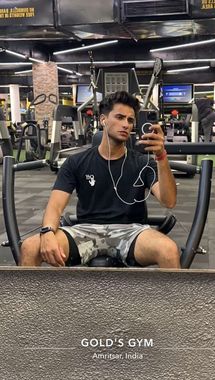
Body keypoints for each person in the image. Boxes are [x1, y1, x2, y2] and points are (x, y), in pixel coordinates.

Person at [20, 91, 180, 269]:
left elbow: (169, 201)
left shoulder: (143, 162)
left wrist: (161, 155)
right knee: (30, 247)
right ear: (103, 120)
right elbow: (55, 206)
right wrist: (48, 231)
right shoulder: (76, 162)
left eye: (130, 120)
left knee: (169, 250)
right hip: (85, 231)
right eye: (119, 117)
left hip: (131, 232)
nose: (125, 124)